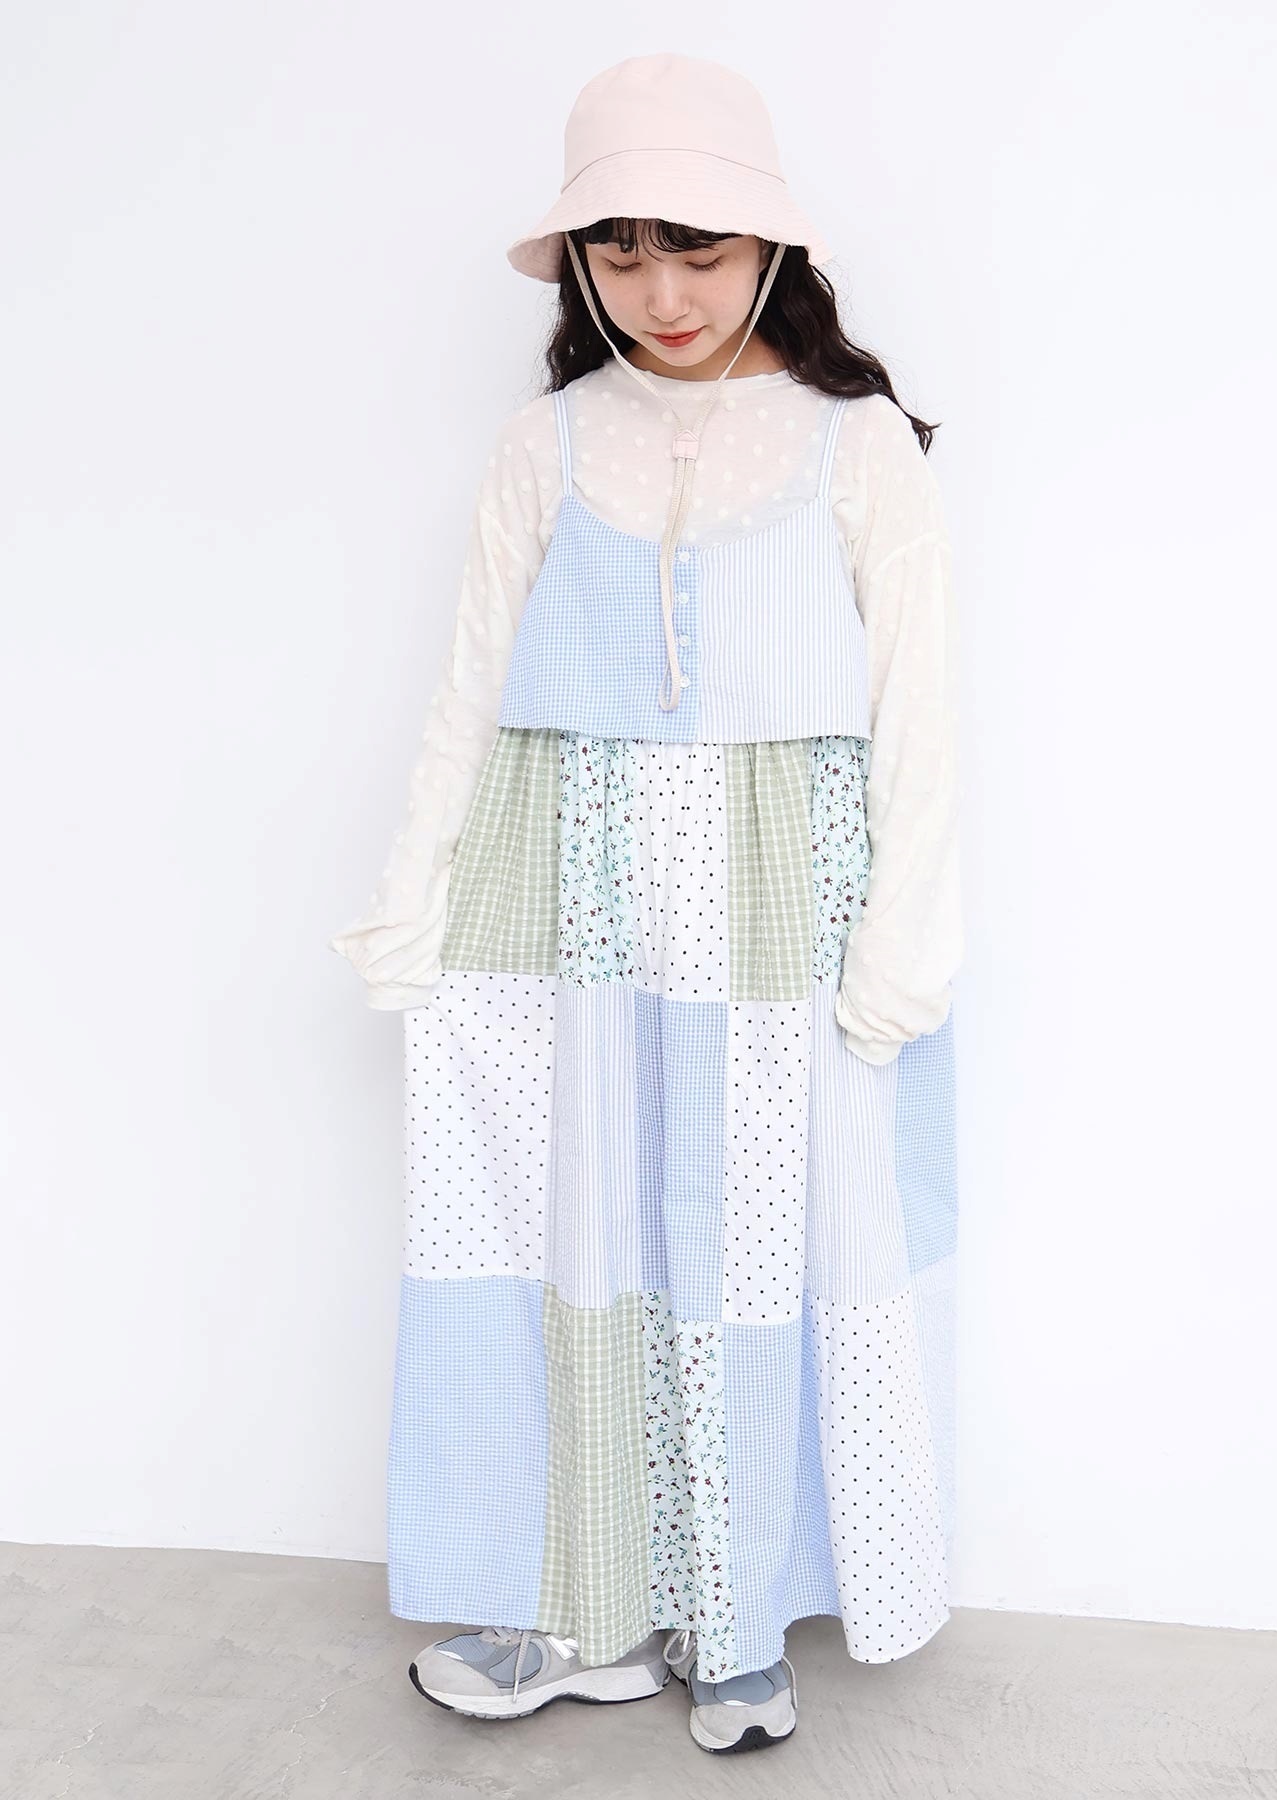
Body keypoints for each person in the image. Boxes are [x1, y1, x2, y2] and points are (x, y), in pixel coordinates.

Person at [329, 51, 963, 1756]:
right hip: (560, 900)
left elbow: (919, 708)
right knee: (569, 1247)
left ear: (768, 249)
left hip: (776, 909)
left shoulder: (853, 447)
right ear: (582, 264)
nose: (660, 293)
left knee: (753, 1254)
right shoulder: (545, 445)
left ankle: (733, 1612)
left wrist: (907, 938)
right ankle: (580, 1603)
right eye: (620, 251)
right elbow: (471, 683)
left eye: (697, 249)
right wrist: (411, 891)